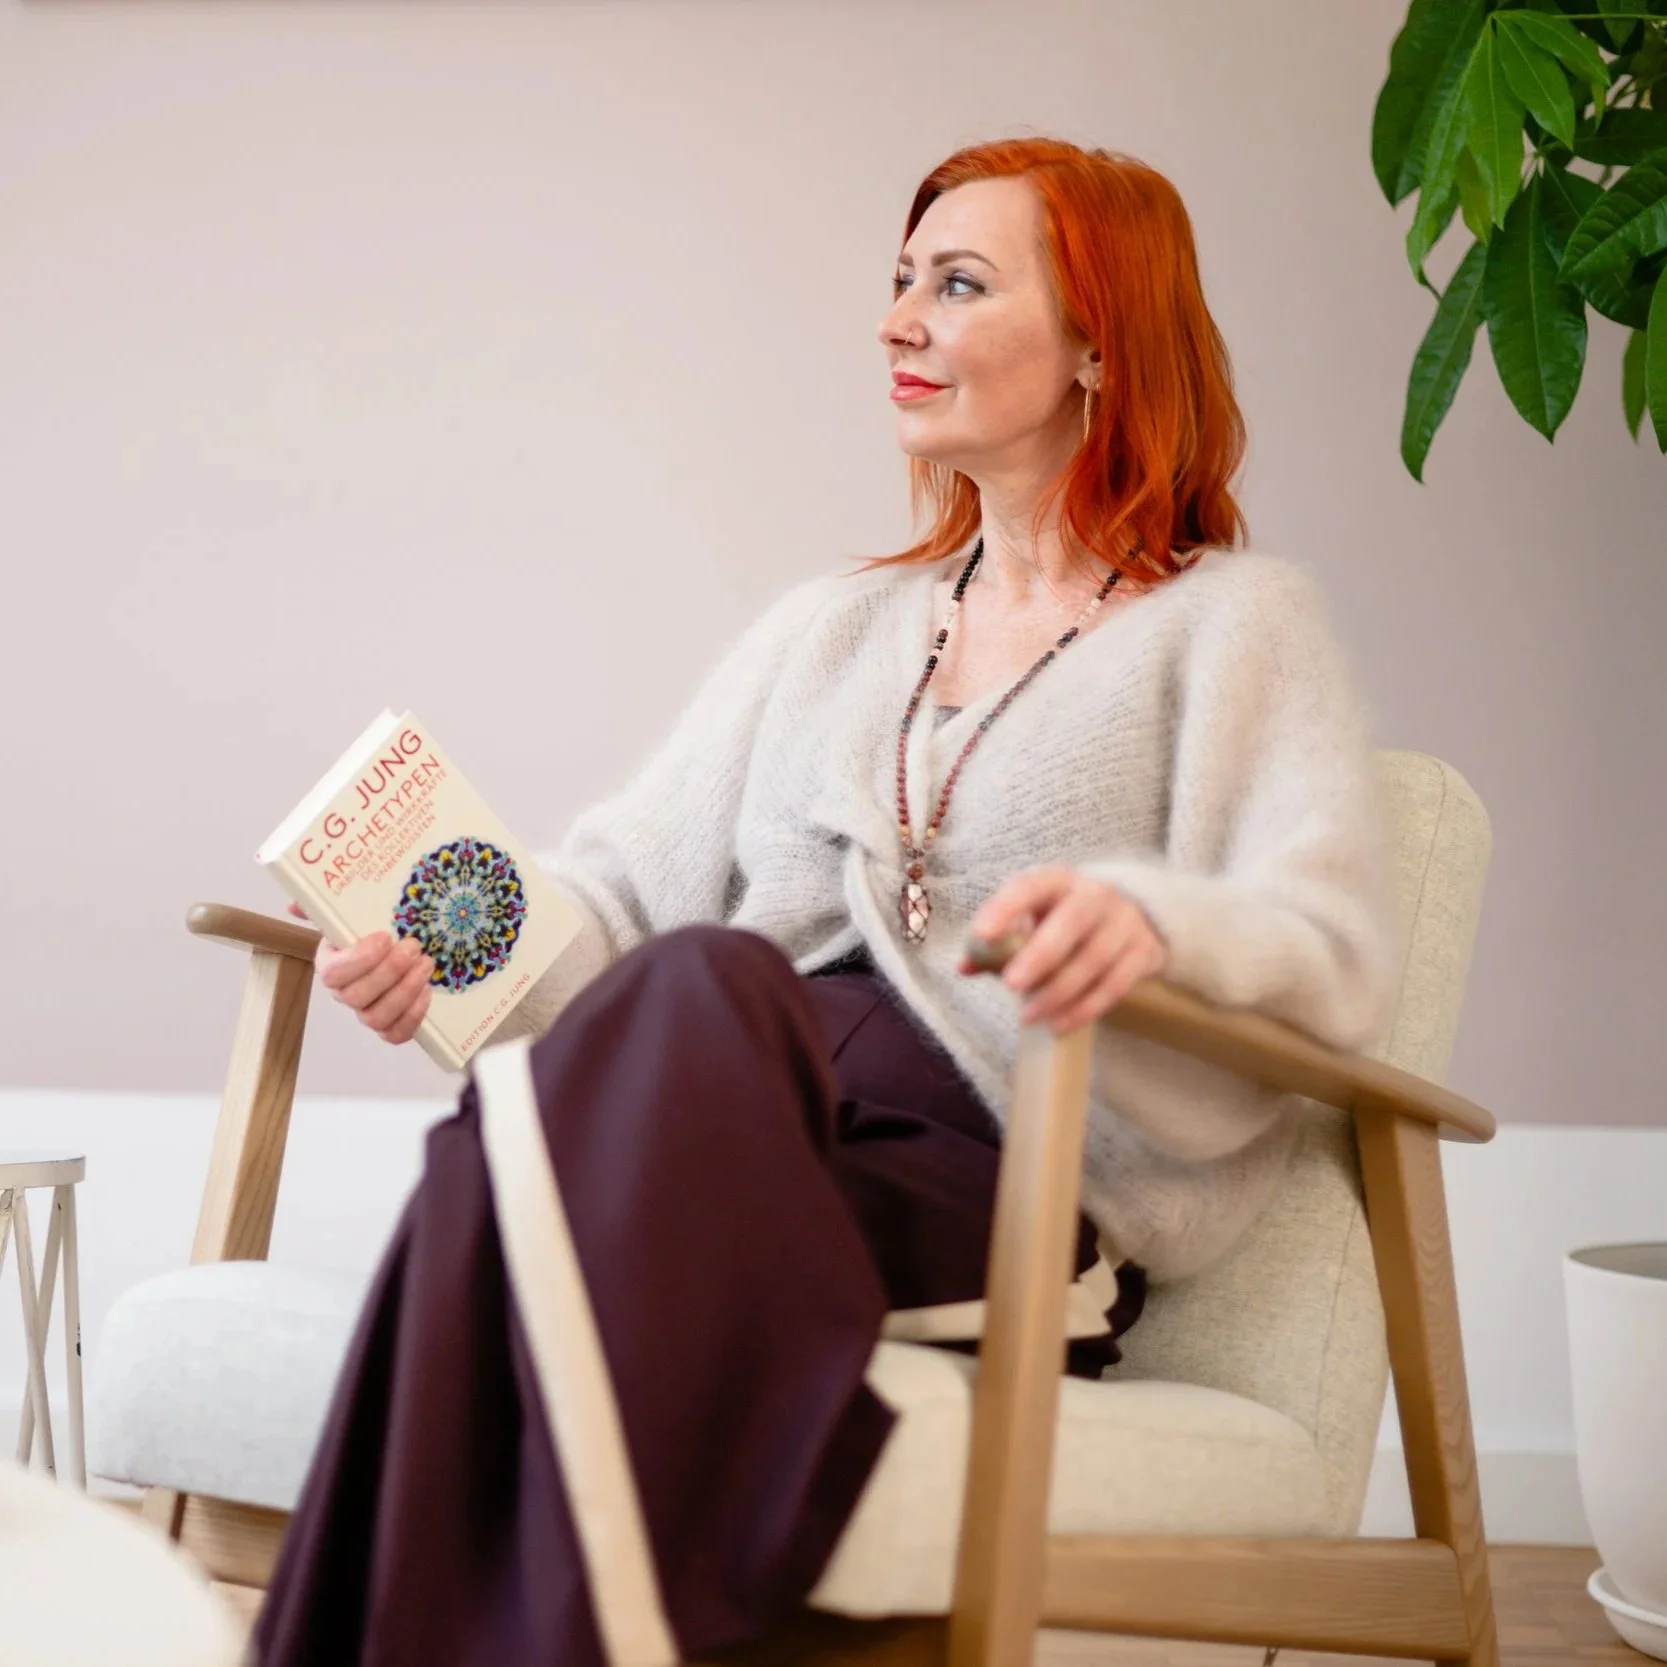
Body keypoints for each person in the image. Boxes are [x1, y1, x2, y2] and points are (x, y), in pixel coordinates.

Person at [256, 137, 1398, 1667]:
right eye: (897, 283)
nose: (896, 319)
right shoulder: (829, 628)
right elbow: (609, 892)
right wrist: (440, 959)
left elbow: (1323, 941)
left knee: (632, 1048)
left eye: (957, 283)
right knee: (594, 1073)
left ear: (1097, 342)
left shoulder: (1232, 625)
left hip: (990, 1186)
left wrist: (1157, 927)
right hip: (740, 1112)